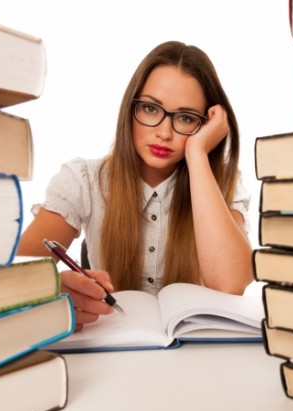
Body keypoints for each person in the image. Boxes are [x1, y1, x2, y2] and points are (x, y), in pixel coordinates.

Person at [18, 41, 253, 331]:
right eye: (151, 109)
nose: (164, 133)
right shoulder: (82, 179)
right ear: (130, 109)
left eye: (186, 118)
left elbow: (230, 283)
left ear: (205, 124)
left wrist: (197, 155)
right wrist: (53, 288)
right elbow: (12, 279)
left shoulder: (221, 182)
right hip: (111, 350)